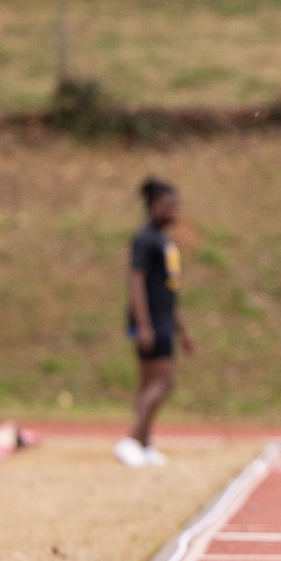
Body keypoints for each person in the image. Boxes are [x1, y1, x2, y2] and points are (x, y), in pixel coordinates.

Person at [119, 177, 193, 469]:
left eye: (177, 204)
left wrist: (183, 330)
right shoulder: (145, 239)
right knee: (164, 382)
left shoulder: (165, 242)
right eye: (168, 205)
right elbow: (136, 282)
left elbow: (169, 290)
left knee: (149, 383)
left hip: (163, 319)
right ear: (153, 207)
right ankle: (133, 440)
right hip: (151, 322)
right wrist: (144, 325)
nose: (175, 210)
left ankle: (145, 444)